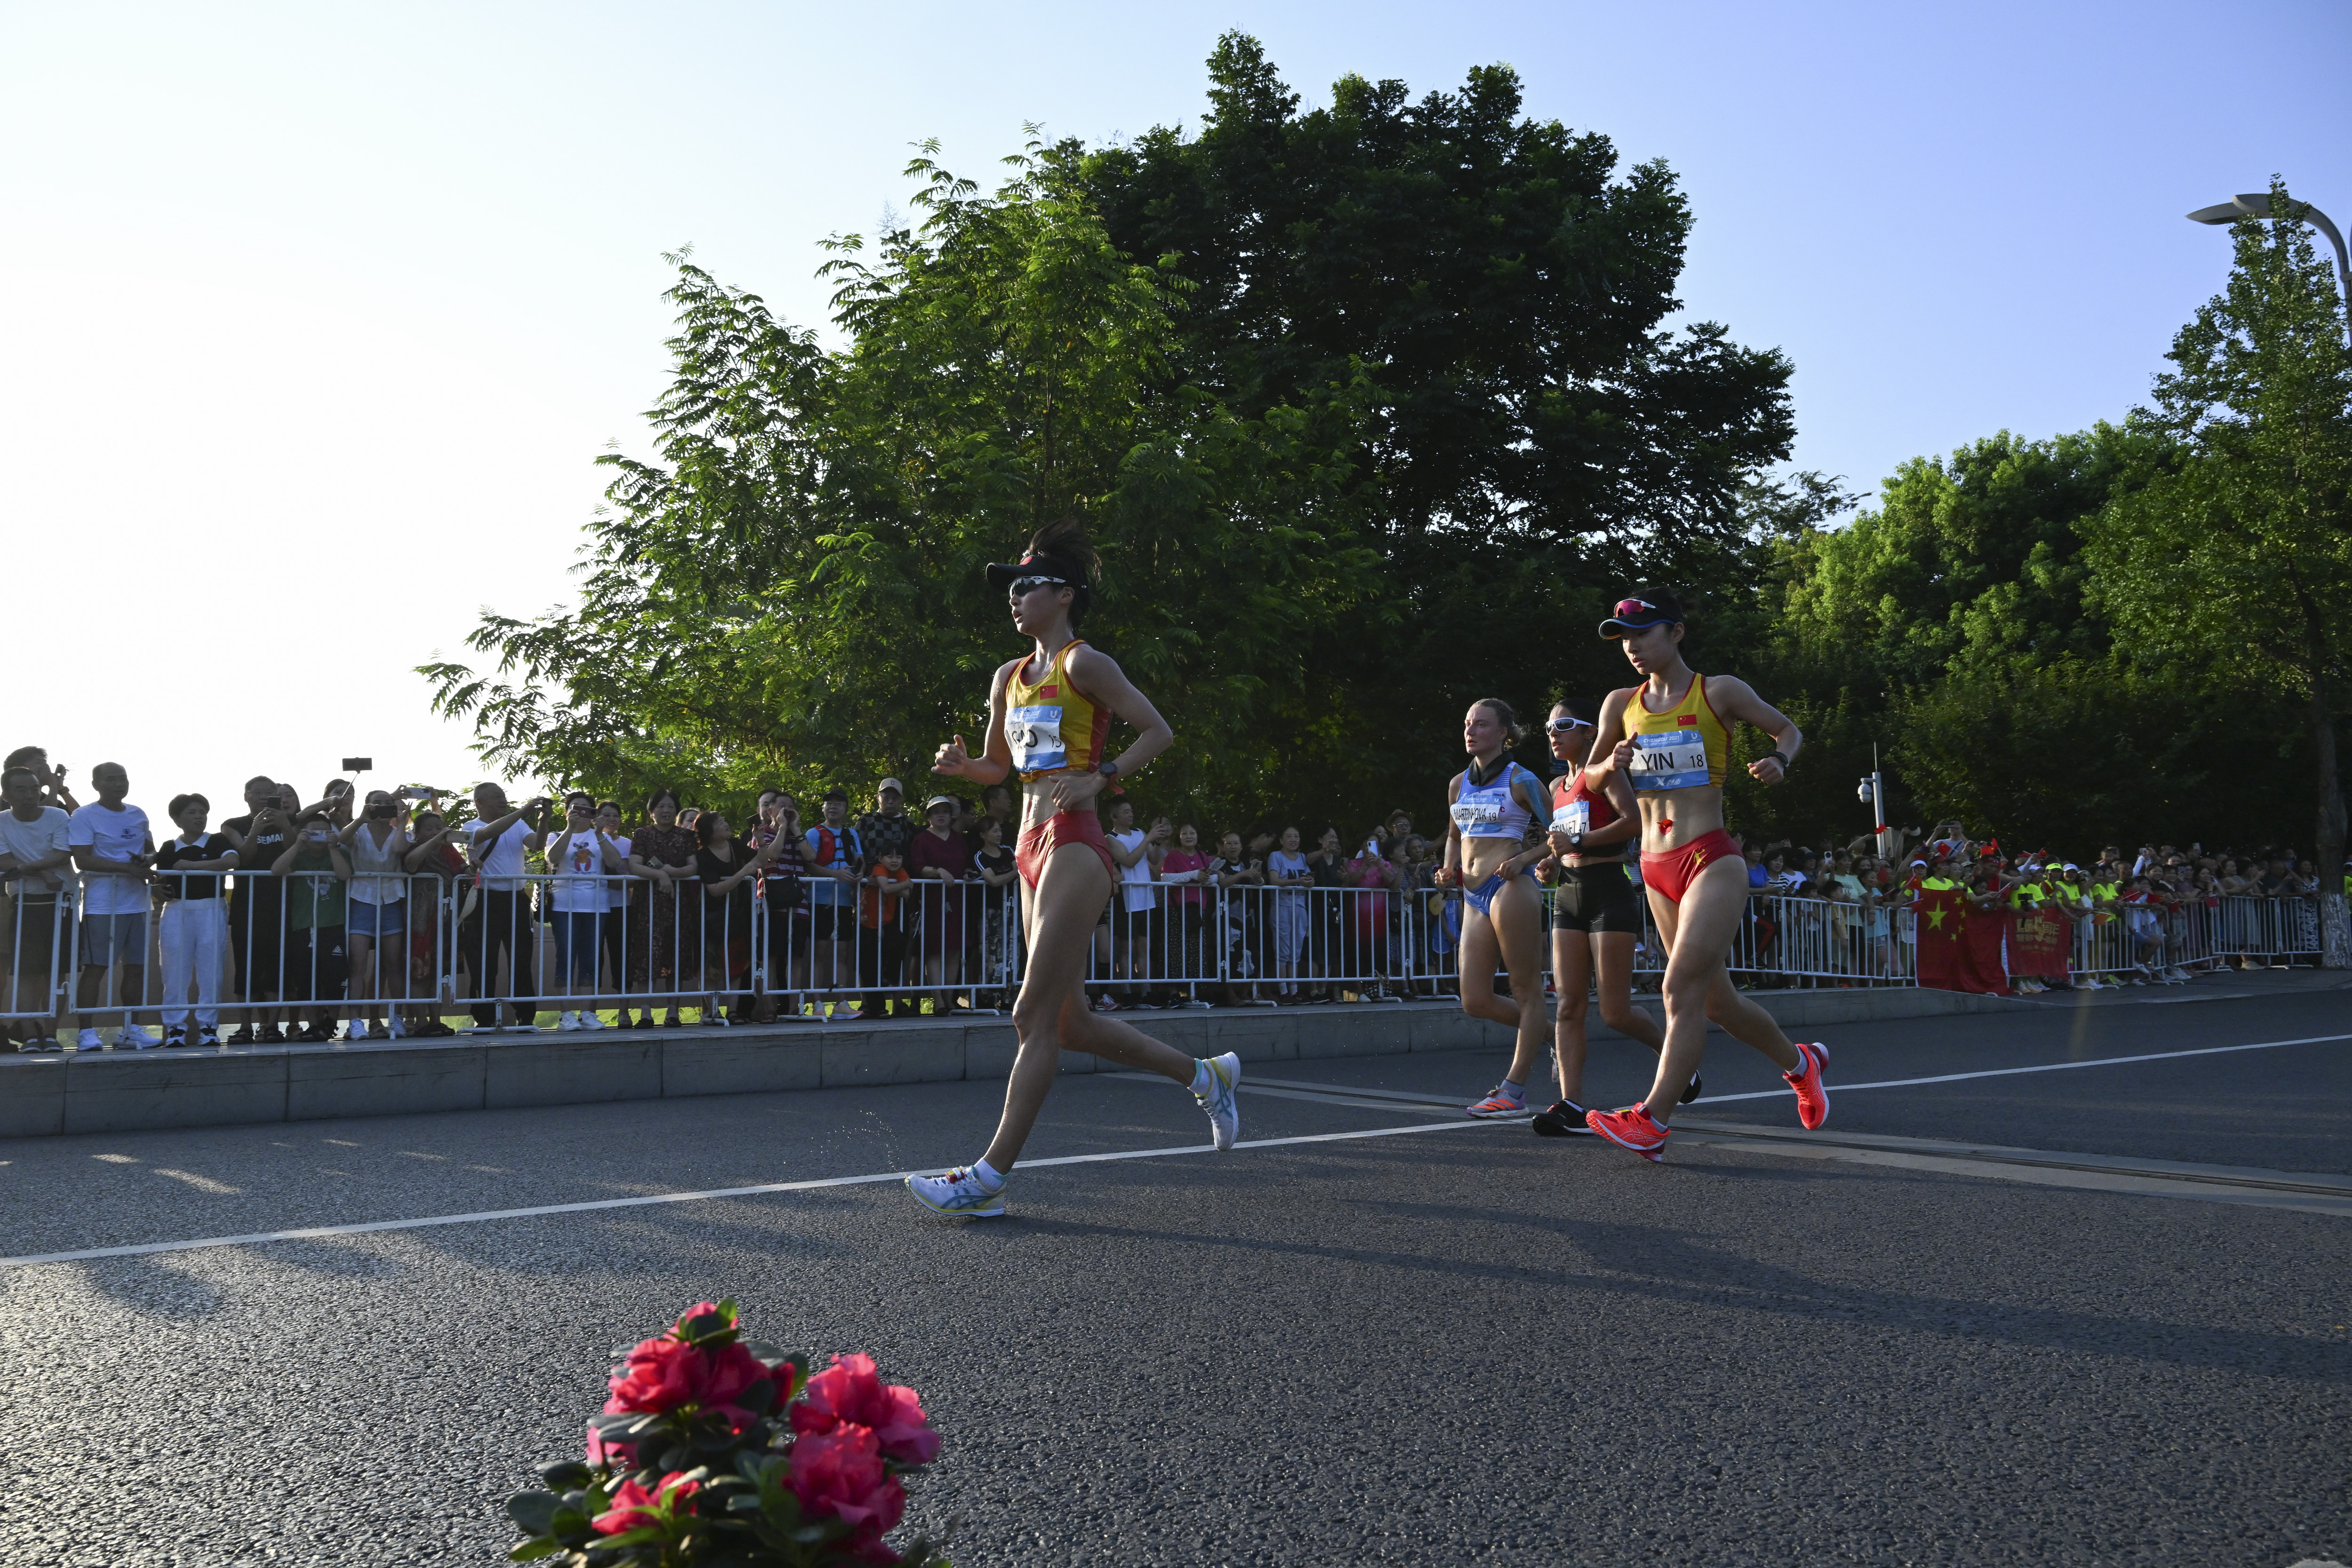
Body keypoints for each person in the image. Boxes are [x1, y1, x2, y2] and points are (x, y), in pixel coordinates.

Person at [910, 518, 1240, 1217]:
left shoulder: (1084, 665)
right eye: (1011, 590)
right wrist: (967, 768)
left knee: (1029, 1013)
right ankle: (1204, 1075)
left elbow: (1159, 730)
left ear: (1063, 595)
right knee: (1070, 1025)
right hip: (1029, 843)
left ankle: (988, 1179)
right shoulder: (1008, 677)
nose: (1014, 599)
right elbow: (1003, 767)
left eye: (1025, 587)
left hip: (1076, 842)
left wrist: (1105, 776)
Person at [1580, 590, 1830, 1160]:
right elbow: (1589, 781)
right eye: (1623, 638)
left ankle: (1652, 1120)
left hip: (1709, 857)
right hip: (1653, 863)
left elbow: (1786, 730)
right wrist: (1609, 763)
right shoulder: (1620, 702)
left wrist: (1780, 761)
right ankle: (1801, 1064)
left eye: (1643, 633)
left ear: (1676, 633)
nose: (1633, 646)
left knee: (1677, 989)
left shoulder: (1718, 691)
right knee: (1717, 1002)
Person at [1527, 699, 1675, 1137]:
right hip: (1569, 893)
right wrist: (1553, 861)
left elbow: (1633, 823)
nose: (1554, 734)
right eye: (1549, 727)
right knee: (1569, 1003)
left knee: (1615, 1012)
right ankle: (1571, 1104)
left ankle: (1676, 1056)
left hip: (1610, 891)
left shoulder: (1607, 772)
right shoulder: (1558, 787)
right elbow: (1565, 841)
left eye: (1564, 725)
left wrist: (1581, 839)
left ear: (1590, 732)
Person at [1433, 701, 1552, 1118]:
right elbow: (1453, 834)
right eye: (1467, 723)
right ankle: (1554, 1035)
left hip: (1511, 886)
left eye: (1481, 724)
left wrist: (1525, 859)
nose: (1471, 730)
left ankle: (1514, 1090)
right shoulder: (1457, 783)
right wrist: (1448, 867)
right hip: (1472, 893)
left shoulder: (1523, 779)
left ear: (1505, 732)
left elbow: (1562, 834)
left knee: (1526, 990)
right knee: (1476, 1000)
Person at [69, 763, 159, 1051]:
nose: (120, 784)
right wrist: (126, 869)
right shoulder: (84, 815)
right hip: (102, 905)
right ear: (96, 784)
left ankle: (131, 1030)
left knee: (135, 969)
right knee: (96, 969)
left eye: (123, 778)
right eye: (112, 780)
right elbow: (82, 860)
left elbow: (150, 850)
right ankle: (86, 1033)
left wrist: (147, 860)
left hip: (138, 903)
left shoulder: (138, 814)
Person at [153, 793, 236, 1048]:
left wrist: (191, 865)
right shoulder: (169, 847)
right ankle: (175, 1028)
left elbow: (231, 861)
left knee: (211, 969)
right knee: (174, 971)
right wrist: (155, 889)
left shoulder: (217, 841)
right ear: (177, 819)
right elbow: (160, 878)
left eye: (202, 812)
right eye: (192, 812)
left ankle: (208, 1028)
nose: (199, 816)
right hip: (177, 911)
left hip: (211, 909)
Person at [0, 764, 74, 1050]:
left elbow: (63, 854)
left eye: (35, 788)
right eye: (22, 790)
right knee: (26, 973)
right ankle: (30, 1034)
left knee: (57, 973)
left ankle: (52, 1034)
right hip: (24, 903)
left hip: (62, 903)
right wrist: (41, 873)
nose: (31, 795)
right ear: (6, 795)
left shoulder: (57, 816)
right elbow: (4, 862)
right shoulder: (2, 821)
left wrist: (27, 868)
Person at [467, 785, 550, 1032]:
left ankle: (526, 1015)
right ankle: (483, 1018)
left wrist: (543, 821)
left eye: (504, 796)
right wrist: (523, 811)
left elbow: (537, 844)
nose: (503, 800)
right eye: (497, 797)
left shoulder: (518, 824)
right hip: (485, 899)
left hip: (516, 898)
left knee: (522, 960)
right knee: (484, 962)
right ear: (479, 802)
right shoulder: (471, 826)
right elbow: (485, 835)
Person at [220, 779, 294, 1043]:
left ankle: (273, 1026)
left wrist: (286, 825)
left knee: (277, 967)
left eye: (270, 793)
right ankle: (245, 1027)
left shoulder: (290, 820)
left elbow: (296, 854)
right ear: (246, 796)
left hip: (283, 903)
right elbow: (243, 859)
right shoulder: (233, 825)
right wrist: (254, 832)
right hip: (246, 904)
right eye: (258, 793)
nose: (264, 798)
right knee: (246, 967)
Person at [545, 792, 624, 1030]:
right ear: (567, 811)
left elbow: (614, 862)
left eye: (587, 809)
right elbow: (552, 858)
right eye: (575, 808)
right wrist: (570, 828)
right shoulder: (557, 835)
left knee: (591, 959)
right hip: (564, 905)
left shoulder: (600, 837)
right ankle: (566, 1014)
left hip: (597, 906)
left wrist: (599, 834)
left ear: (594, 814)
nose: (581, 813)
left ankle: (588, 1013)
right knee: (566, 957)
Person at [338, 789, 412, 1040]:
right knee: (358, 964)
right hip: (361, 899)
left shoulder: (399, 832)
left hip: (391, 899)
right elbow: (342, 838)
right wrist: (361, 818)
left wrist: (401, 822)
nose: (382, 807)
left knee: (393, 963)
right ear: (368, 805)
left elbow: (401, 849)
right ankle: (355, 1021)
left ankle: (397, 1019)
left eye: (388, 804)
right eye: (376, 803)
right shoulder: (358, 830)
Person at [273, 807, 352, 1042]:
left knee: (336, 977)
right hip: (303, 925)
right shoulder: (298, 855)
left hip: (334, 923)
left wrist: (333, 847)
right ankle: (314, 1025)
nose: (319, 836)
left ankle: (331, 1021)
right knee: (306, 978)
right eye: (314, 833)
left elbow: (344, 875)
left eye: (325, 832)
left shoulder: (339, 853)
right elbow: (276, 870)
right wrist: (298, 845)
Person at [692, 811, 773, 1025]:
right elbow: (715, 889)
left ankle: (732, 1011)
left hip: (738, 914)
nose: (726, 824)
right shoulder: (704, 855)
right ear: (709, 831)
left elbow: (762, 861)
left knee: (737, 965)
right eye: (721, 822)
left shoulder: (735, 845)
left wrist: (761, 839)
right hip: (710, 917)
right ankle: (711, 1011)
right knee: (710, 967)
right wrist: (743, 873)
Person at [632, 788, 698, 1026]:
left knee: (676, 955)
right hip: (648, 905)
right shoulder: (642, 834)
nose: (666, 810)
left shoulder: (686, 836)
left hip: (678, 905)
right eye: (661, 806)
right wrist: (661, 877)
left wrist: (673, 873)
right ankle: (646, 1012)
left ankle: (672, 1011)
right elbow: (635, 865)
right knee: (646, 956)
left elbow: (693, 867)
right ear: (652, 812)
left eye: (671, 806)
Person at [801, 789, 863, 1016]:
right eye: (829, 803)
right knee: (819, 951)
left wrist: (858, 874)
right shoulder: (814, 833)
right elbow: (809, 866)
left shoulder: (851, 834)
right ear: (823, 808)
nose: (833, 807)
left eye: (838, 803)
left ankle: (841, 1003)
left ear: (846, 809)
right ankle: (818, 1004)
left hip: (845, 901)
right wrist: (835, 874)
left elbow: (860, 860)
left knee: (842, 953)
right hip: (819, 899)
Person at [907, 795, 974, 1007]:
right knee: (934, 950)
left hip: (957, 900)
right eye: (937, 812)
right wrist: (938, 872)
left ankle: (949, 998)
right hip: (932, 901)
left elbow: (966, 863)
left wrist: (967, 873)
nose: (941, 815)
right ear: (929, 816)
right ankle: (938, 1000)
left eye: (945, 812)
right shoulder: (922, 839)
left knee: (954, 950)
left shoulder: (958, 838)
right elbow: (918, 867)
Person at [1099, 799, 1160, 1011]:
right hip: (1126, 899)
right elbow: (1129, 861)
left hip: (1146, 898)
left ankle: (1146, 992)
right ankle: (1127, 992)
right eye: (1126, 811)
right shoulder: (1111, 838)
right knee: (1127, 948)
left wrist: (1156, 840)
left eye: (1132, 810)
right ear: (1114, 817)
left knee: (1144, 947)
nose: (1131, 814)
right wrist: (1148, 839)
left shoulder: (1140, 833)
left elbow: (1153, 858)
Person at [860, 843, 915, 1016]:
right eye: (890, 857)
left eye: (898, 857)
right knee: (870, 966)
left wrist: (898, 886)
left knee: (899, 942)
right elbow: (888, 887)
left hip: (886, 922)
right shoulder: (879, 868)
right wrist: (905, 883)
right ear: (881, 858)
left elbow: (907, 894)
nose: (895, 861)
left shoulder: (900, 872)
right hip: (868, 922)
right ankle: (877, 1008)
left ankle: (888, 978)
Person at [971, 814, 1019, 1007]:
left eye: (1000, 830)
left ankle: (1009, 996)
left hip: (1012, 909)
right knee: (991, 952)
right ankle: (989, 996)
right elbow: (993, 881)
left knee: (1012, 950)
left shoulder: (1008, 851)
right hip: (991, 911)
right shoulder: (980, 856)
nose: (999, 834)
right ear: (983, 834)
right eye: (995, 831)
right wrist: (1015, 873)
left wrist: (1011, 874)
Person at [1266, 825, 1311, 1003]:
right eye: (1289, 836)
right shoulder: (1276, 856)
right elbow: (1274, 880)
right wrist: (1297, 881)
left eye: (1297, 836)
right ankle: (1283, 991)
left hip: (1300, 907)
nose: (1294, 840)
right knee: (1283, 950)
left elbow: (1306, 879)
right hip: (1282, 906)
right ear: (1282, 840)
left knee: (1296, 951)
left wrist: (1308, 882)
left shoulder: (1303, 858)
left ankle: (1295, 990)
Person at [5, 746, 80, 813]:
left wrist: (60, 787)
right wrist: (52, 783)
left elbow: (80, 817)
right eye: (38, 763)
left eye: (45, 763)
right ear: (20, 769)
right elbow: (41, 817)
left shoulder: (50, 798)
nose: (46, 767)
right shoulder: (9, 798)